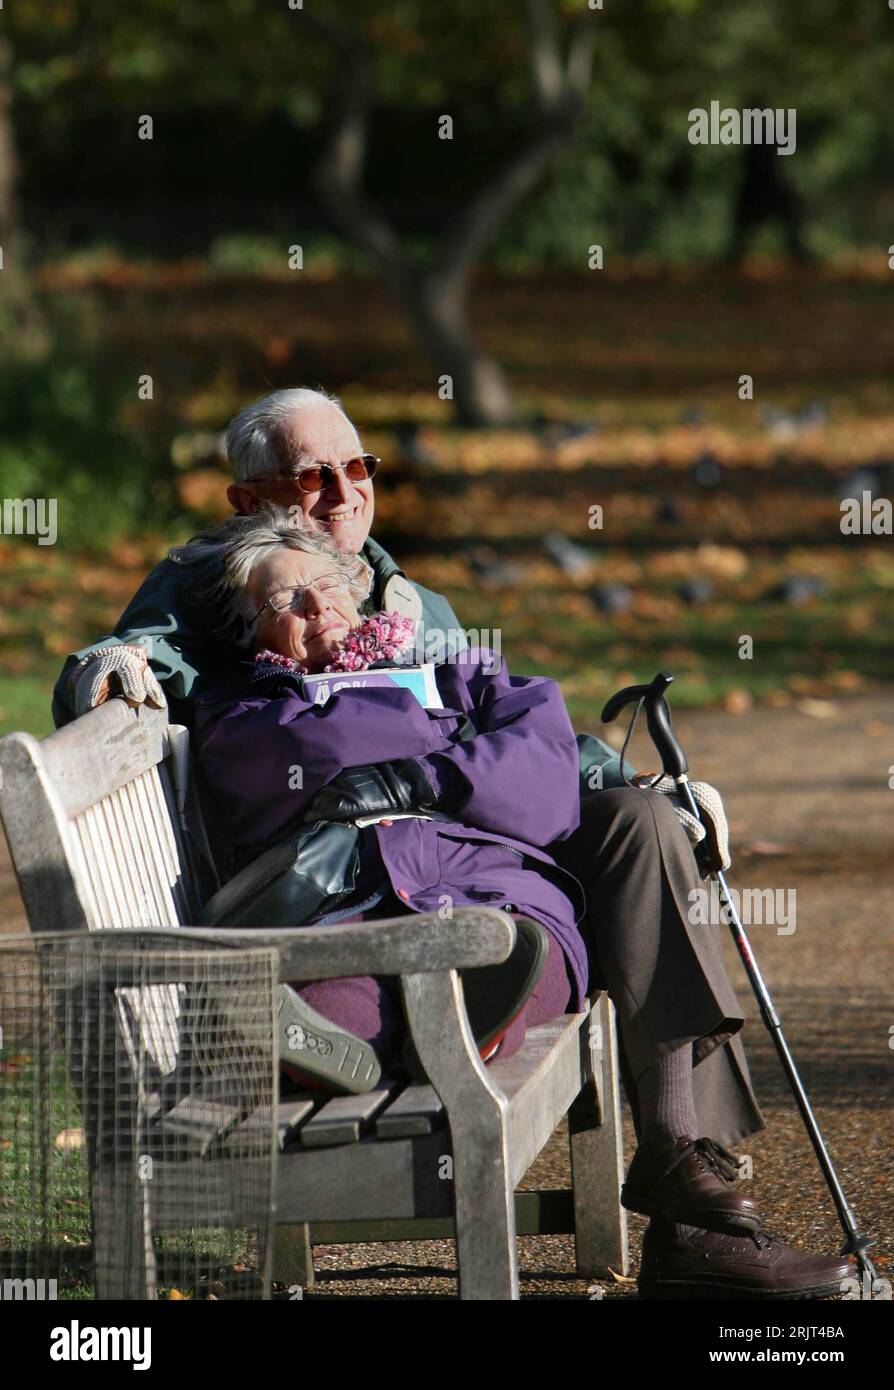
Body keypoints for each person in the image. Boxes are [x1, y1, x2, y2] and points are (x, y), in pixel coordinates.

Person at [182, 507, 851, 1301]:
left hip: (490, 890)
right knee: (352, 992)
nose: (315, 609)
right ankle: (340, 1038)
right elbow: (305, 756)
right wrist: (454, 743)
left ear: (356, 593)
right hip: (351, 911)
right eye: (283, 604)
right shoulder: (248, 706)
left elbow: (543, 756)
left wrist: (427, 779)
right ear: (253, 635)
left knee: (579, 886)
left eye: (324, 587)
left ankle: (670, 1157)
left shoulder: (452, 669)